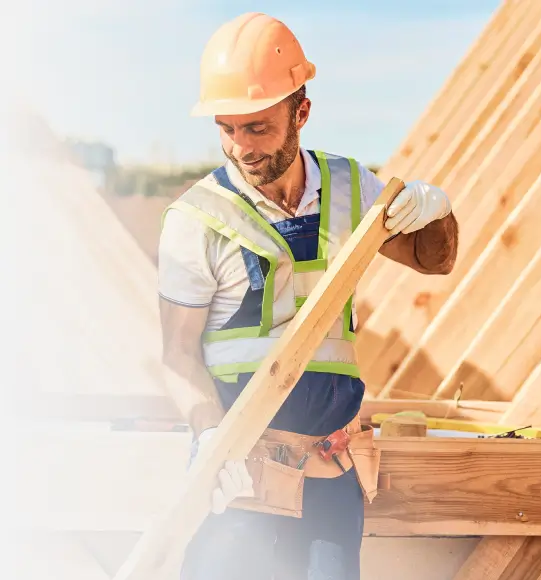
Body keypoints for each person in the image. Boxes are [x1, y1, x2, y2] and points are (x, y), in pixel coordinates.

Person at [157, 11, 458, 580]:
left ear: (302, 112)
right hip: (241, 473)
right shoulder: (195, 219)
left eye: (258, 128)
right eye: (227, 128)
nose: (241, 147)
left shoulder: (351, 187)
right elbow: (176, 353)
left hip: (329, 467)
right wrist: (208, 434)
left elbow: (433, 261)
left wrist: (436, 211)